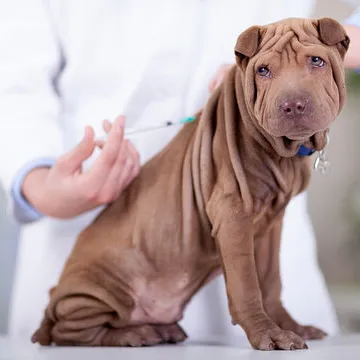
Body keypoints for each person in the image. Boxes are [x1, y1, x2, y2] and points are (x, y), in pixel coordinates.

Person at [0, 0, 341, 343]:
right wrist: (41, 186)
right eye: (264, 70)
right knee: (92, 297)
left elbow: (347, 34)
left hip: (268, 167)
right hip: (96, 218)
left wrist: (305, 57)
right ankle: (84, 319)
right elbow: (14, 82)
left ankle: (271, 308)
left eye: (316, 61)